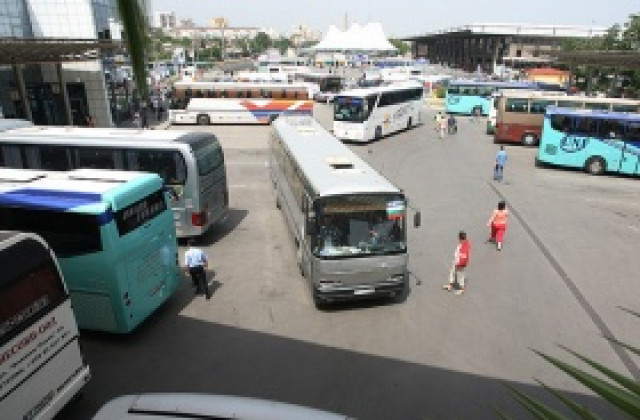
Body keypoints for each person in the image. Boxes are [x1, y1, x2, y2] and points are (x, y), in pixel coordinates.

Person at [443, 231, 470, 295]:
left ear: (460, 238)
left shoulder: (463, 245)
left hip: (459, 263)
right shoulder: (464, 243)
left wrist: (459, 264)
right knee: (452, 272)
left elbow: (463, 256)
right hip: (456, 262)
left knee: (460, 276)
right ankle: (450, 285)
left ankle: (461, 289)